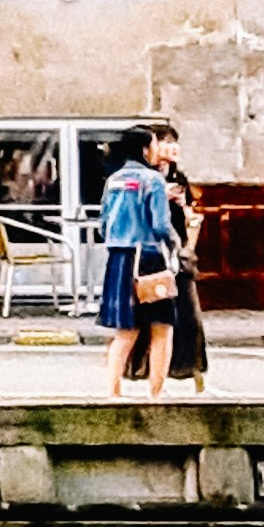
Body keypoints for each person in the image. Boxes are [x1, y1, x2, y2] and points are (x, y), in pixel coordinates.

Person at [98, 120, 185, 393]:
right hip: (149, 259)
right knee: (162, 327)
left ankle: (113, 392)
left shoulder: (114, 181)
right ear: (146, 148)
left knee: (125, 331)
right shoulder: (153, 180)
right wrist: (175, 242)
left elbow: (103, 224)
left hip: (119, 259)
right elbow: (160, 225)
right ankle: (155, 394)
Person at [158, 137, 209, 387]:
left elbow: (189, 210)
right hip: (156, 253)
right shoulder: (146, 178)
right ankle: (149, 372)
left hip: (180, 252)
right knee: (155, 319)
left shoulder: (179, 178)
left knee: (187, 315)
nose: (172, 153)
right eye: (167, 147)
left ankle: (192, 368)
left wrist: (185, 208)